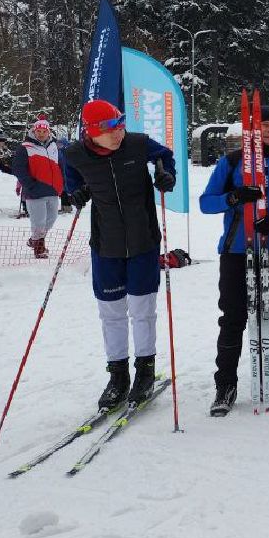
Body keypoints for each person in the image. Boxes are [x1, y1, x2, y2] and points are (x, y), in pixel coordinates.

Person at [62, 99, 177, 411]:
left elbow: (165, 155)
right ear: (91, 132)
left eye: (120, 124)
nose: (117, 133)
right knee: (111, 312)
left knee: (142, 309)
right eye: (109, 129)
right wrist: (75, 192)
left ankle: (145, 371)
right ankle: (118, 376)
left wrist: (167, 174)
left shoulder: (137, 144)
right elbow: (71, 182)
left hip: (143, 241)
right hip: (106, 246)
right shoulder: (75, 155)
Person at [198, 102, 269, 414]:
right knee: (233, 317)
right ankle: (225, 385)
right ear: (252, 128)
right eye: (264, 125)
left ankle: (265, 377)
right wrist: (234, 197)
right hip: (237, 252)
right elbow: (206, 203)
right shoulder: (231, 162)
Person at [12, 117, 67, 257]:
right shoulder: (26, 147)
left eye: (44, 131)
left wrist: (63, 184)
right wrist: (30, 184)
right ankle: (39, 249)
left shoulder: (54, 147)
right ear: (34, 131)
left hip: (53, 190)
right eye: (39, 131)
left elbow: (61, 167)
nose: (41, 134)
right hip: (35, 191)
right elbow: (18, 168)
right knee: (39, 222)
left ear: (48, 132)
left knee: (51, 219)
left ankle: (34, 240)